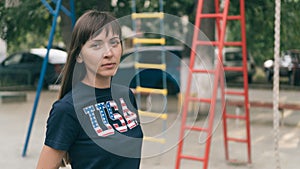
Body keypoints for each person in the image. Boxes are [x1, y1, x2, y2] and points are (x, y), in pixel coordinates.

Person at [36, 10, 143, 169]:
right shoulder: (67, 109)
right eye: (96, 45)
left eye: (114, 42)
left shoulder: (126, 95)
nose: (109, 53)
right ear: (79, 55)